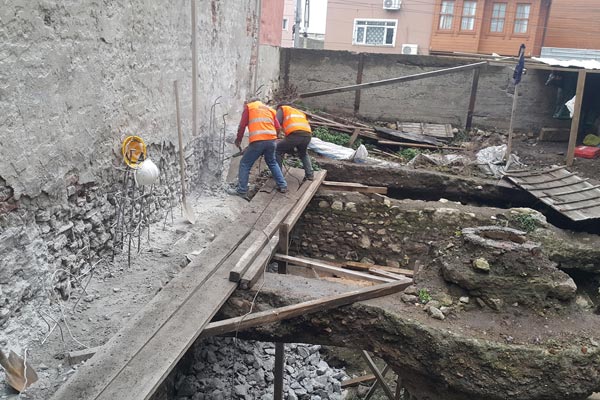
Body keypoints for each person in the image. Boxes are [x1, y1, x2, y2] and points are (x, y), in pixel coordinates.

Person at [227, 98, 288, 198]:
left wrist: (238, 140)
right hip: (271, 141)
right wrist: (273, 139)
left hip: (258, 141)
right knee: (272, 162)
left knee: (245, 163)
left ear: (249, 102)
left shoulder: (249, 107)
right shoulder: (270, 109)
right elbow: (278, 127)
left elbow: (242, 126)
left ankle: (242, 190)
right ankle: (283, 185)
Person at [275, 104, 314, 181]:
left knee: (277, 150)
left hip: (295, 135)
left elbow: (276, 124)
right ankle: (310, 175)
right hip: (307, 135)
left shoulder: (282, 109)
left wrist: (274, 137)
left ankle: (277, 174)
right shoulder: (298, 112)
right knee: (303, 153)